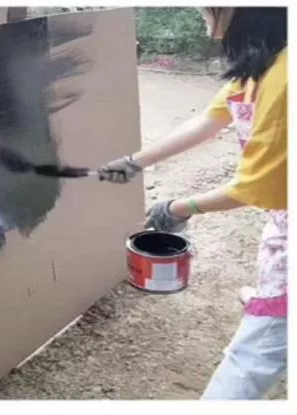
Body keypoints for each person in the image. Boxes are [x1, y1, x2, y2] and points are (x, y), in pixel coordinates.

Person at [98, 7, 287, 399]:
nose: (200, 11)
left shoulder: (286, 80)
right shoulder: (261, 63)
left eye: (205, 6)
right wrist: (134, 163)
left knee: (250, 359)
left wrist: (178, 208)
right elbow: (208, 121)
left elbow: (258, 188)